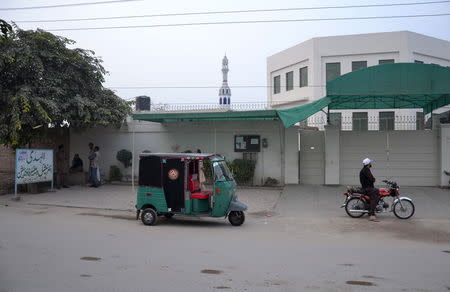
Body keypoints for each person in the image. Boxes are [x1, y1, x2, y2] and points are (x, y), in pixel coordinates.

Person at [360, 158, 379, 222]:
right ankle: (372, 215)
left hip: (367, 187)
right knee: (375, 197)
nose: (371, 163)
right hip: (367, 188)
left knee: (377, 191)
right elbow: (372, 179)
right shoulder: (366, 170)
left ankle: (370, 209)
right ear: (368, 164)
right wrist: (373, 179)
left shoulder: (366, 170)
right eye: (370, 163)